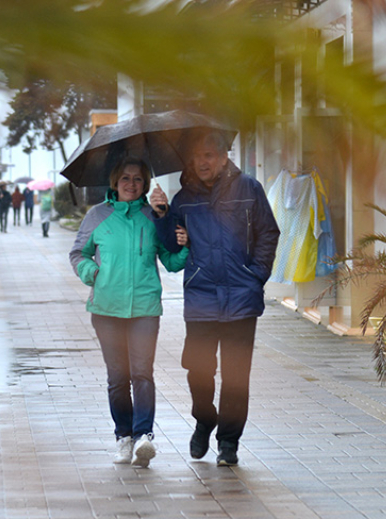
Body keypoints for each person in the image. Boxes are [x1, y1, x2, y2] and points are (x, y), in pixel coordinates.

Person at [151, 129, 280, 468]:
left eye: (210, 154)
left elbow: (269, 231)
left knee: (236, 376)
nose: (203, 161)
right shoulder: (183, 198)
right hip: (201, 297)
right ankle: (204, 418)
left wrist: (257, 275)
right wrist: (163, 215)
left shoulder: (249, 188)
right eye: (197, 155)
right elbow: (173, 247)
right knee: (198, 370)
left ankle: (228, 443)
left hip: (241, 298)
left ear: (224, 157)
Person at [69, 157, 189, 468]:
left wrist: (185, 244)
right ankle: (123, 437)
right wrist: (90, 272)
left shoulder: (154, 216)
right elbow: (77, 253)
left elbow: (173, 262)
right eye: (125, 178)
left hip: (145, 309)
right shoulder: (98, 216)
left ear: (146, 184)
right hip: (106, 309)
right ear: (115, 182)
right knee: (118, 377)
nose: (131, 184)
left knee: (142, 374)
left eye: (138, 179)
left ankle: (144, 437)